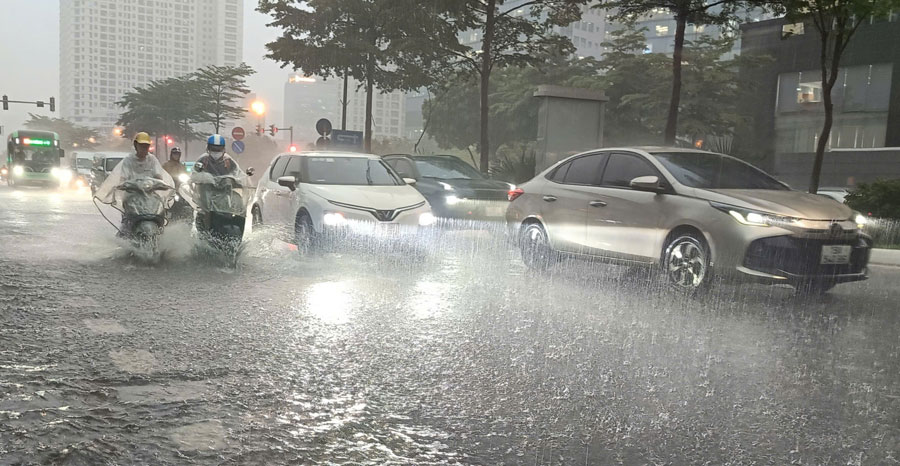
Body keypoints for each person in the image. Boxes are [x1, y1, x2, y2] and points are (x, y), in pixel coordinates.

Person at [94, 132, 173, 204]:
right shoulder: (128, 161)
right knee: (129, 216)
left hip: (150, 197)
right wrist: (121, 186)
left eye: (146, 146)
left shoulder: (152, 160)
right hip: (131, 197)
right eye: (141, 146)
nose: (144, 149)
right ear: (135, 145)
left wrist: (161, 185)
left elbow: (158, 176)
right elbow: (123, 178)